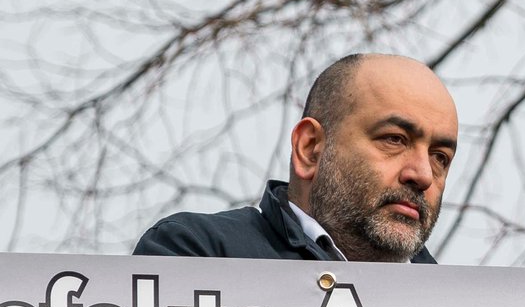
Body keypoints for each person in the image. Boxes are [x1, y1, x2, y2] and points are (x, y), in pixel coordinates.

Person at [135, 54, 458, 262]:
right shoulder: (202, 253)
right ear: (311, 147)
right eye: (394, 140)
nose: (423, 174)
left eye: (440, 157)